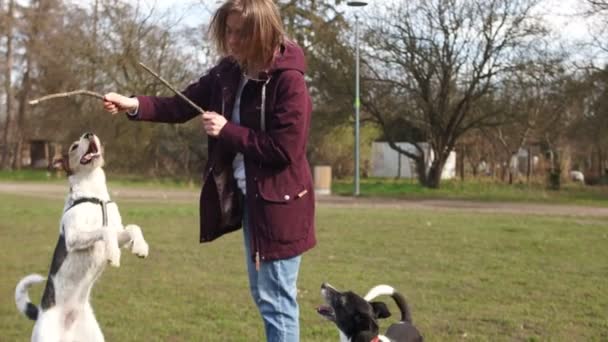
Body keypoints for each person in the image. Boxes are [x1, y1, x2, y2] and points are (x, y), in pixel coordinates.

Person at [102, 0, 315, 341]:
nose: (231, 41)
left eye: (240, 33)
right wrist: (135, 104)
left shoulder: (289, 81)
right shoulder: (229, 71)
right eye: (228, 31)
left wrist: (227, 129)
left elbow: (285, 149)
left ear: (262, 31)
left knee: (276, 301)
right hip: (252, 203)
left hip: (281, 207)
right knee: (265, 297)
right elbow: (178, 105)